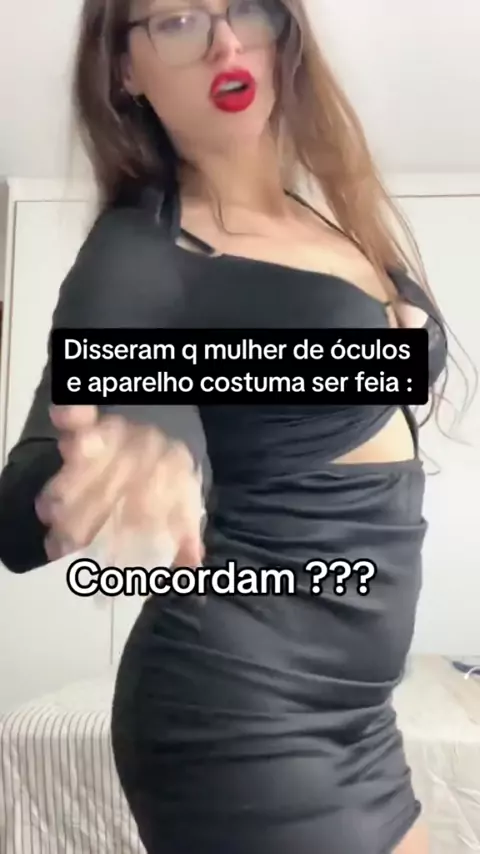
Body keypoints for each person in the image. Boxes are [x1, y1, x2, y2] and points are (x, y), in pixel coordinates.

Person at [0, 0, 450, 851]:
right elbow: (21, 506)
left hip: (356, 708)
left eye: (244, 7)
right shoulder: (141, 254)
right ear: (124, 71)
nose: (226, 41)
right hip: (243, 709)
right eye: (177, 20)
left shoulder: (327, 217)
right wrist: (102, 464)